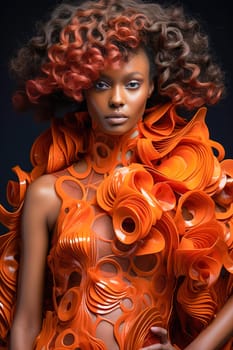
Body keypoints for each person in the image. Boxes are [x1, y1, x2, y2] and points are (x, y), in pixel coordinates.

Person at [0, 0, 233, 349]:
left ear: (152, 87)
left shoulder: (181, 188)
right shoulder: (48, 194)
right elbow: (26, 321)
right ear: (78, 86)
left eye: (133, 83)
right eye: (102, 85)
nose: (118, 100)